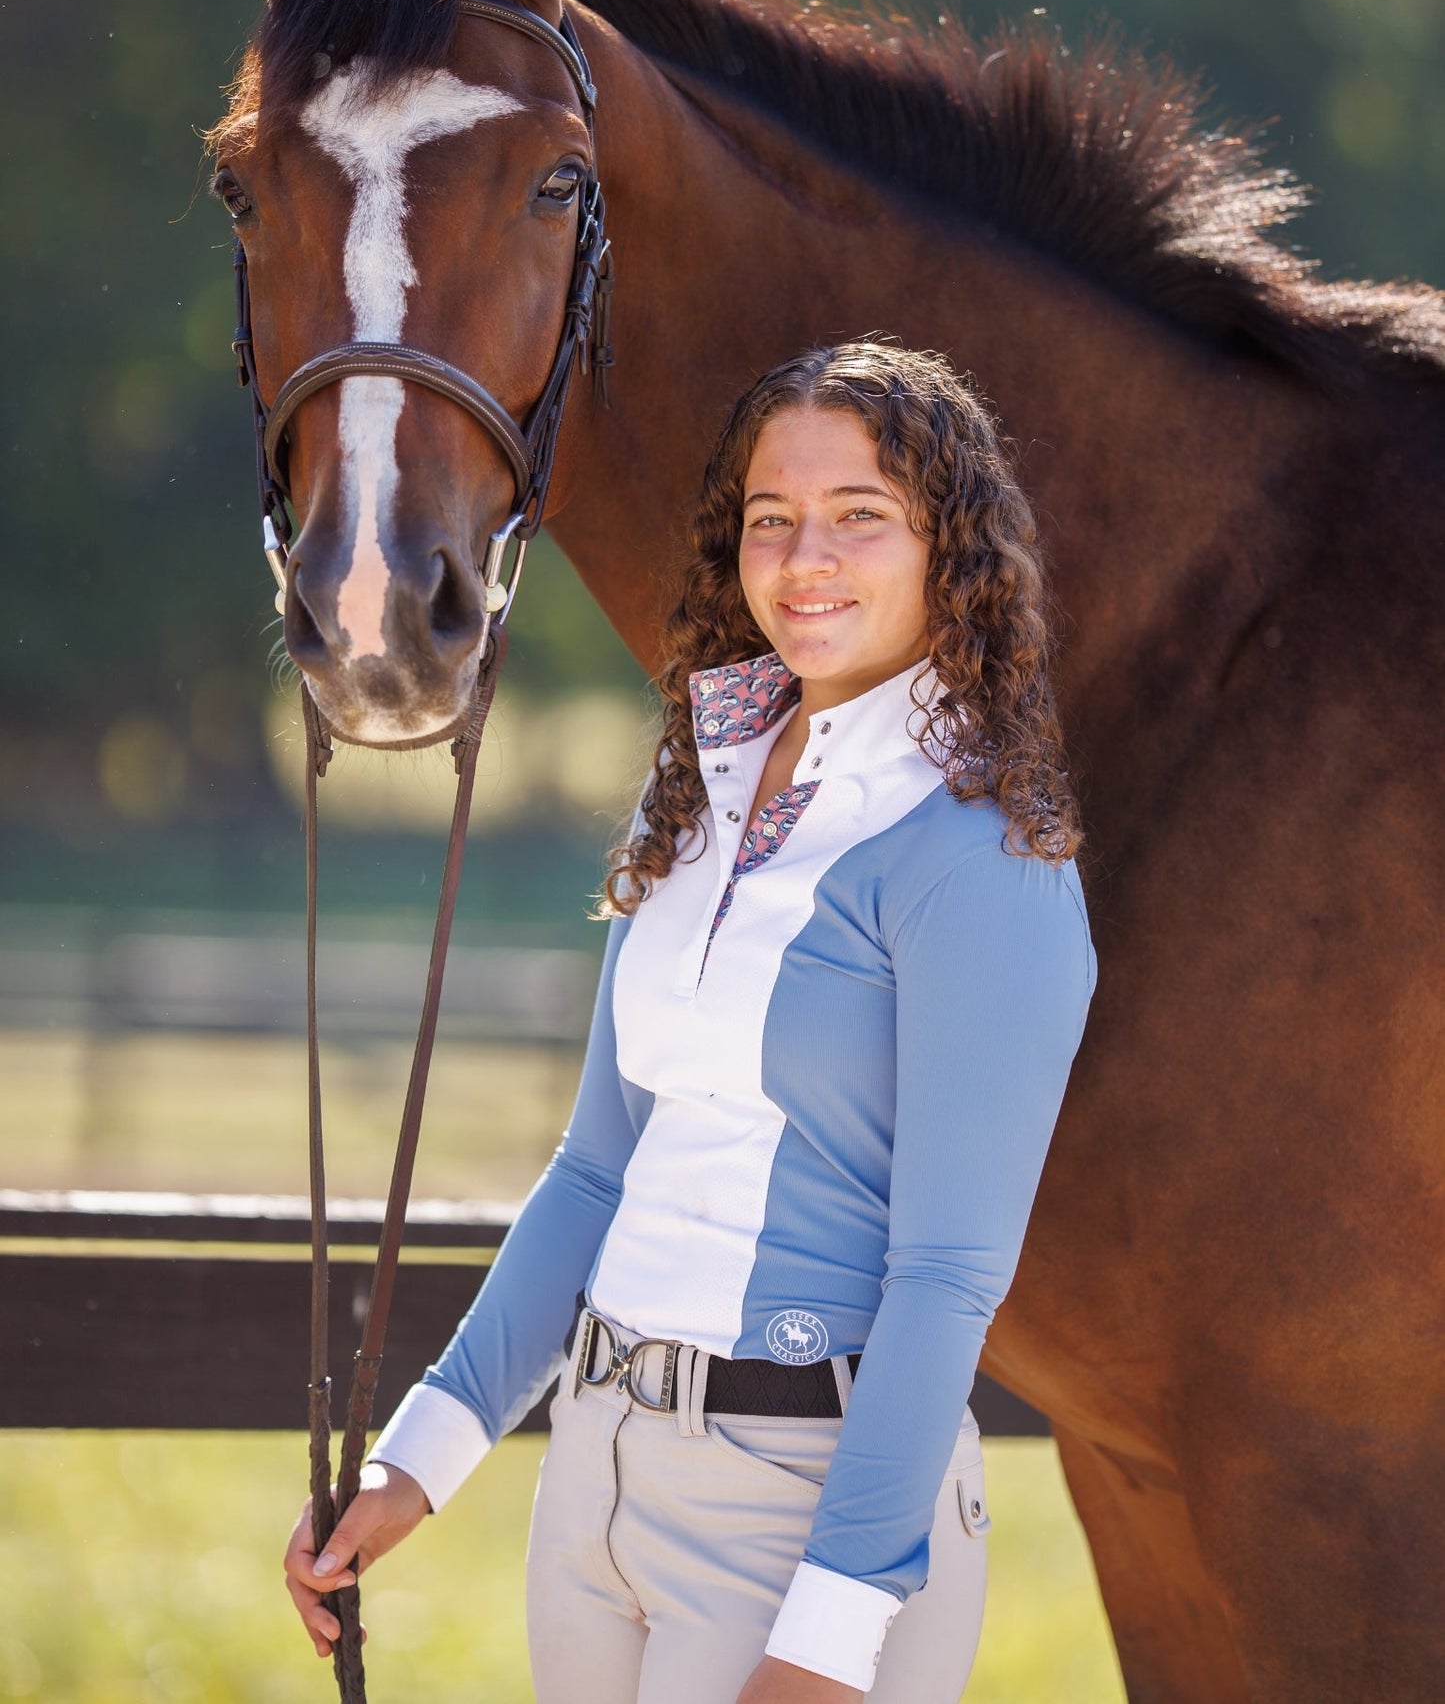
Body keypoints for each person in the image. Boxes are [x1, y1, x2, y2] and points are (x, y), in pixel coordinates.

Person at [284, 340, 1096, 1703]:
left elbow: (946, 1279)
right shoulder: (706, 785)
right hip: (597, 1474)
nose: (803, 557)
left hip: (805, 1505)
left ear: (947, 549)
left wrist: (832, 1631)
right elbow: (596, 1171)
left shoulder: (980, 860)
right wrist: (415, 1460)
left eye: (860, 516)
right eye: (769, 519)